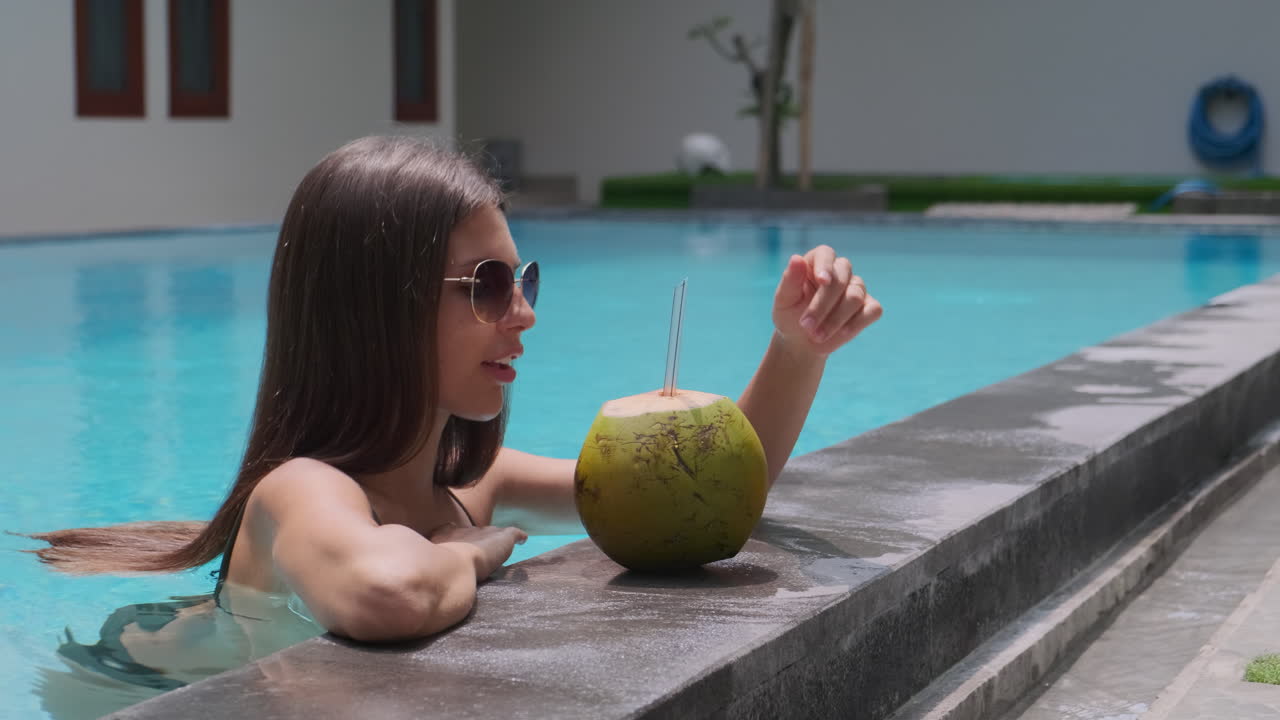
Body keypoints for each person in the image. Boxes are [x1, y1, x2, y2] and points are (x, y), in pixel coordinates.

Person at [26, 135, 883, 646]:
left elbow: (709, 497)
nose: (523, 316)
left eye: (524, 281)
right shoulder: (301, 492)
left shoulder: (480, 484)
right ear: (377, 310)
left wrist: (796, 351)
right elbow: (386, 594)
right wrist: (476, 552)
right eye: (486, 285)